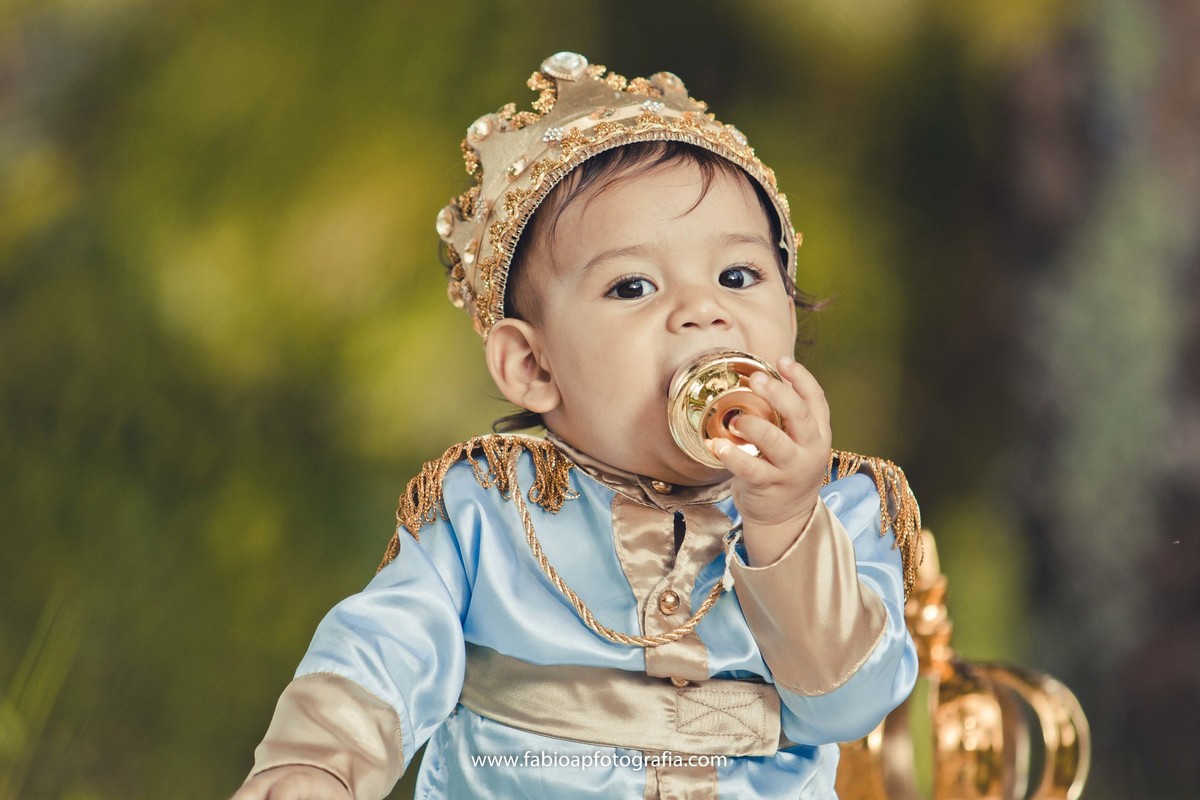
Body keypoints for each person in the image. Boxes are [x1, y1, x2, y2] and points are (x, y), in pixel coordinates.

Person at [232, 52, 921, 800]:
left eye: (738, 276)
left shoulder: (843, 508)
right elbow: (385, 649)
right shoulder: (488, 508)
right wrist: (318, 766)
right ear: (533, 367)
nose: (703, 309)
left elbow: (849, 704)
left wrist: (785, 519)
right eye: (633, 286)